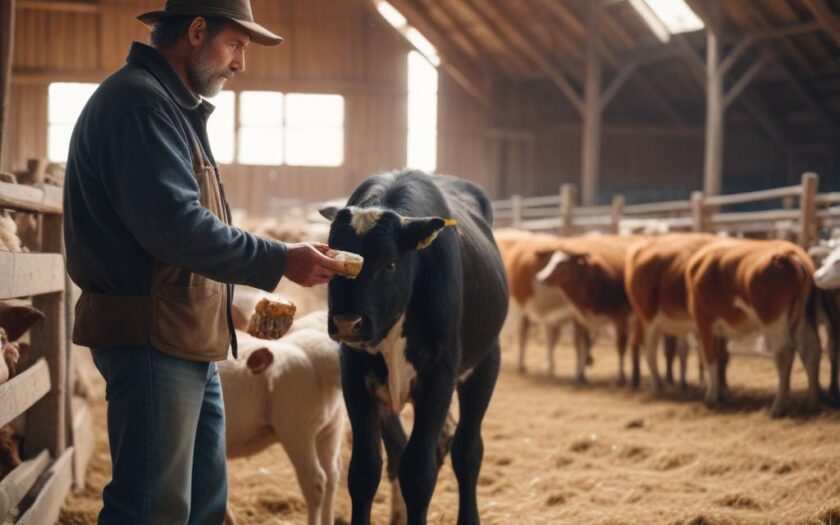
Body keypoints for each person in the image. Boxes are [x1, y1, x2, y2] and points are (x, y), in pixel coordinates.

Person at [62, 1, 345, 523]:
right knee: (153, 507)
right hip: (153, 337)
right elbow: (177, 229)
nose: (241, 62)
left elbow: (182, 227)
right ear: (196, 31)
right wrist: (279, 257)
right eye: (235, 44)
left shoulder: (170, 107)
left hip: (187, 336)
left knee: (202, 500)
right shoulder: (141, 107)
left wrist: (235, 298)